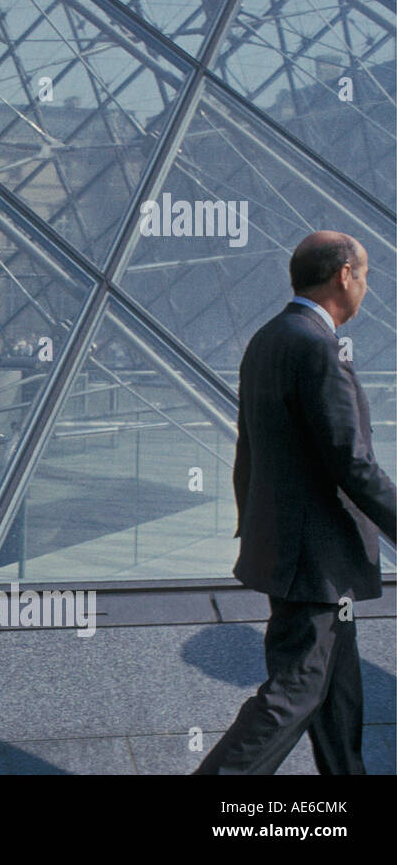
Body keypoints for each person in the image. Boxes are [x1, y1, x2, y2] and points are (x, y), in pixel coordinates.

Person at [196, 231, 395, 775]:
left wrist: (258, 527)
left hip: (294, 552)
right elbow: (351, 462)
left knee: (337, 695)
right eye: (366, 275)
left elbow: (249, 447)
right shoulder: (317, 347)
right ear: (343, 276)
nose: (366, 289)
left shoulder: (270, 337)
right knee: (295, 693)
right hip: (318, 560)